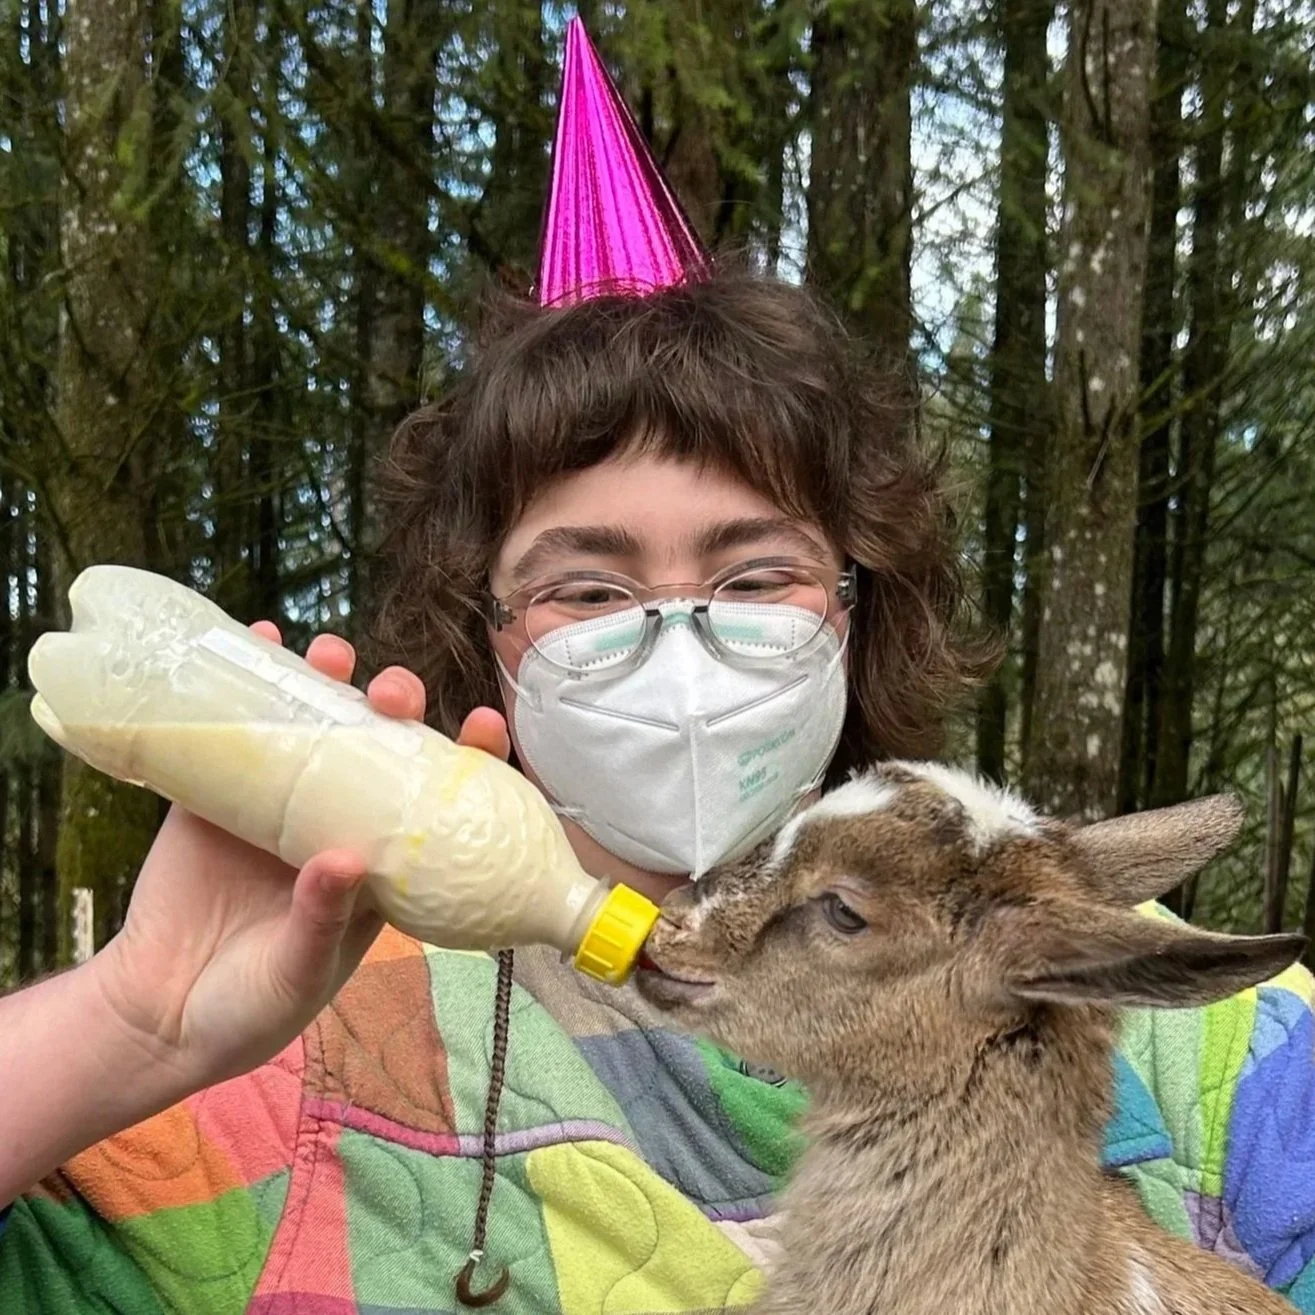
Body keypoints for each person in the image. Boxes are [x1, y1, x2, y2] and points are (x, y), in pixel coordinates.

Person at [4, 19, 1315, 1315]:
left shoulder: (1171, 1017)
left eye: (751, 579)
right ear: (495, 628)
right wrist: (134, 1023)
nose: (680, 642)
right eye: (588, 586)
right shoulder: (307, 1046)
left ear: (853, 606)